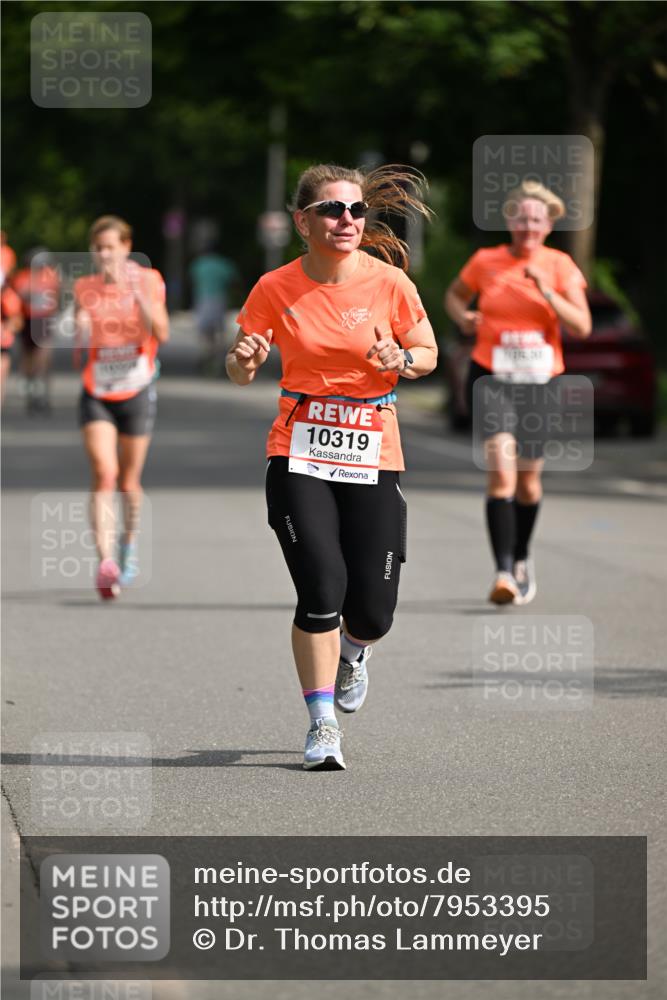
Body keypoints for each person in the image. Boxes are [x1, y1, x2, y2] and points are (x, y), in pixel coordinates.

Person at [226, 164, 437, 770]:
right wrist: (244, 358)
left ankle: (354, 650)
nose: (347, 220)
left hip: (374, 448)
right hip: (298, 449)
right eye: (331, 210)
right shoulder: (274, 287)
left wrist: (402, 356)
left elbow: (426, 352)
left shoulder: (390, 283)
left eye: (355, 210)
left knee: (372, 610)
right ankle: (321, 725)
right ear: (303, 221)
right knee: (321, 587)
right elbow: (241, 366)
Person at [444, 180, 591, 605]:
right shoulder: (486, 261)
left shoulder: (560, 265)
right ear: (510, 221)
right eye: (521, 218)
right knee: (501, 472)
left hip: (540, 383)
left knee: (528, 483)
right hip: (492, 377)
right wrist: (464, 316)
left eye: (536, 220)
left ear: (548, 225)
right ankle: (503, 571)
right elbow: (454, 296)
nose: (528, 226)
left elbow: (581, 326)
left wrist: (546, 290)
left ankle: (522, 558)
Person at [73, 215, 169, 599]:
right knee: (104, 473)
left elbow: (160, 331)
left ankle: (127, 548)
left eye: (110, 247)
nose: (104, 255)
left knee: (128, 481)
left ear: (127, 247)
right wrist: (80, 321)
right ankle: (105, 562)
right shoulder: (85, 286)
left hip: (136, 388)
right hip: (97, 389)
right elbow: (81, 332)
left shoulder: (148, 279)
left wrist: (137, 294)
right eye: (97, 249)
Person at [12, 248, 61, 413]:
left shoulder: (50, 277)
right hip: (27, 320)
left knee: (44, 356)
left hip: (44, 320)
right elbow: (19, 296)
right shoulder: (23, 277)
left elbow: (56, 296)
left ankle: (43, 392)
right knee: (28, 356)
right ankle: (30, 387)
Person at [189, 246, 239, 374]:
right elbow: (234, 282)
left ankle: (206, 355)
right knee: (219, 332)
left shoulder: (199, 264)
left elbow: (192, 281)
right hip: (219, 299)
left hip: (202, 299)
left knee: (204, 331)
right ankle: (219, 359)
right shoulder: (223, 263)